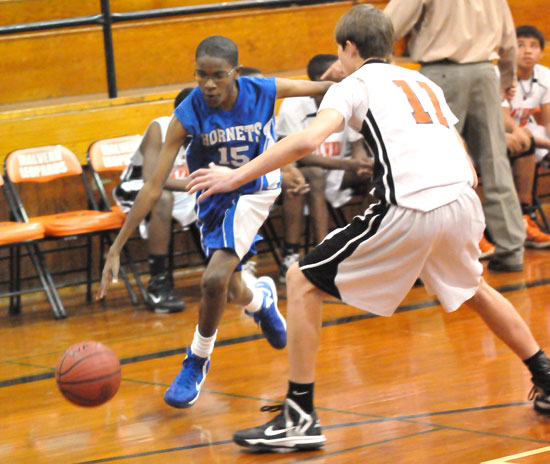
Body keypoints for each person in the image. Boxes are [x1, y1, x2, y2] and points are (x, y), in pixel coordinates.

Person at [188, 6, 550, 451]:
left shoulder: (354, 84)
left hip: (411, 203)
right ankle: (545, 374)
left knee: (302, 280)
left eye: (339, 51)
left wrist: (232, 177)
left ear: (349, 48)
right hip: (459, 198)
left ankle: (299, 415)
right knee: (474, 289)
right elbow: (456, 143)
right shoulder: (423, 81)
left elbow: (303, 141)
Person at [97, 35, 333, 409]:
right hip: (215, 199)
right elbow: (153, 185)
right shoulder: (188, 112)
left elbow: (324, 84)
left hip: (255, 188)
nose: (208, 84)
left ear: (235, 73)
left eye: (218, 76)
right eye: (201, 75)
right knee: (228, 288)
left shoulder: (263, 90)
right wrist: (117, 247)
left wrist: (363, 74)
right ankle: (260, 301)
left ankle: (197, 360)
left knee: (211, 278)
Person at [384, 0, 526, 273]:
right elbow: (509, 40)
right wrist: (507, 78)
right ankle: (511, 248)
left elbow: (387, 26)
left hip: (441, 73)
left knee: (434, 167)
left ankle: (435, 252)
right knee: (495, 162)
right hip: (486, 71)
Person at [276, 54, 373, 283]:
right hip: (303, 171)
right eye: (339, 71)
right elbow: (300, 156)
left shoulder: (349, 98)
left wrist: (361, 163)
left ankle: (365, 245)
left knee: (378, 175)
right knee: (316, 175)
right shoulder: (293, 106)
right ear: (322, 80)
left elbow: (356, 145)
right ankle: (323, 252)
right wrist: (348, 163)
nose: (344, 74)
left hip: (341, 169)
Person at [113, 88, 196, 313]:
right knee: (162, 198)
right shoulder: (160, 127)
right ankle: (158, 282)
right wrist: (198, 184)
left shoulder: (210, 129)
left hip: (182, 189)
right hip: (139, 187)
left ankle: (229, 272)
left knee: (216, 196)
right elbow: (151, 179)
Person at [500, 25, 550, 248]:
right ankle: (524, 214)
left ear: (541, 52)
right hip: (502, 134)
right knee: (526, 142)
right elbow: (501, 121)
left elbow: (548, 122)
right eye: (520, 45)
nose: (527, 51)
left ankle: (525, 215)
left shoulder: (544, 75)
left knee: (530, 139)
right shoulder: (498, 73)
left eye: (533, 46)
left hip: (528, 133)